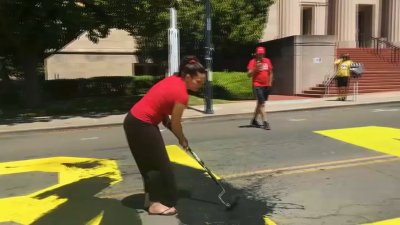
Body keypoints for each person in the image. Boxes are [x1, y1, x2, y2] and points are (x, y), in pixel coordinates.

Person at [123, 56, 206, 216]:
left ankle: (150, 199)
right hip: (142, 124)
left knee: (149, 164)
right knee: (159, 166)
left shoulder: (173, 80)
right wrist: (182, 139)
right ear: (188, 77)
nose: (200, 85)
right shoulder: (182, 94)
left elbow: (164, 116)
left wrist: (177, 134)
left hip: (134, 121)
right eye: (198, 82)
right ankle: (155, 204)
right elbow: (176, 123)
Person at [247, 46, 274, 130]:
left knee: (260, 104)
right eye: (259, 54)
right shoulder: (252, 62)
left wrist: (270, 82)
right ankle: (265, 122)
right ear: (256, 54)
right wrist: (255, 69)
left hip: (266, 86)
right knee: (262, 104)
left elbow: (270, 72)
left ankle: (254, 120)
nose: (260, 55)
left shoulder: (267, 61)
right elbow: (248, 75)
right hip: (257, 85)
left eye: (262, 54)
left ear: (264, 54)